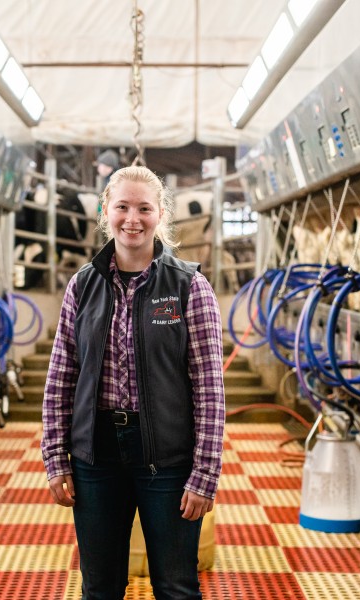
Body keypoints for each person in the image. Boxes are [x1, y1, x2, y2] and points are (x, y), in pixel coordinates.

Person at [41, 165, 225, 599]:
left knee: (176, 587)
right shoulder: (82, 286)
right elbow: (60, 376)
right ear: (106, 211)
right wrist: (55, 457)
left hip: (167, 458)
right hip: (95, 457)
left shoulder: (189, 288)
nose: (132, 218)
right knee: (100, 588)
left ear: (160, 214)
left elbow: (210, 388)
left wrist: (205, 473)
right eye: (122, 207)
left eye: (144, 208)